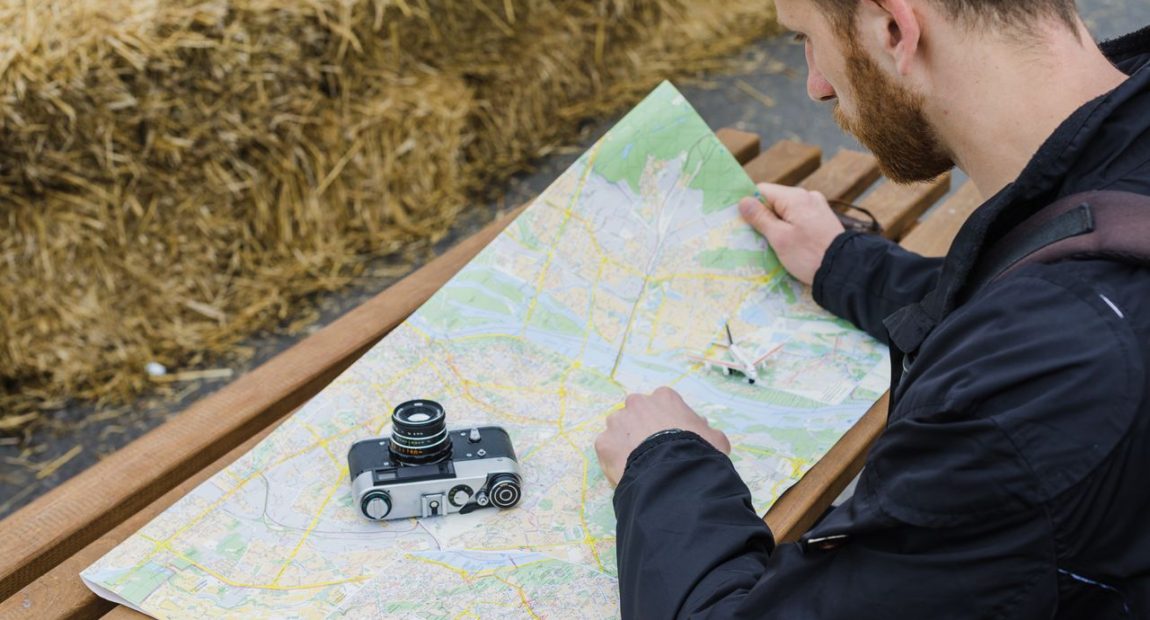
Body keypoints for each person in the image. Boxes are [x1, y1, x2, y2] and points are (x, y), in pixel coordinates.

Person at [593, 0, 1150, 617]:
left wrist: (665, 461)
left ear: (894, 28)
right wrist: (844, 264)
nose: (816, 85)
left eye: (807, 39)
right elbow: (1053, 287)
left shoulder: (1022, 398)